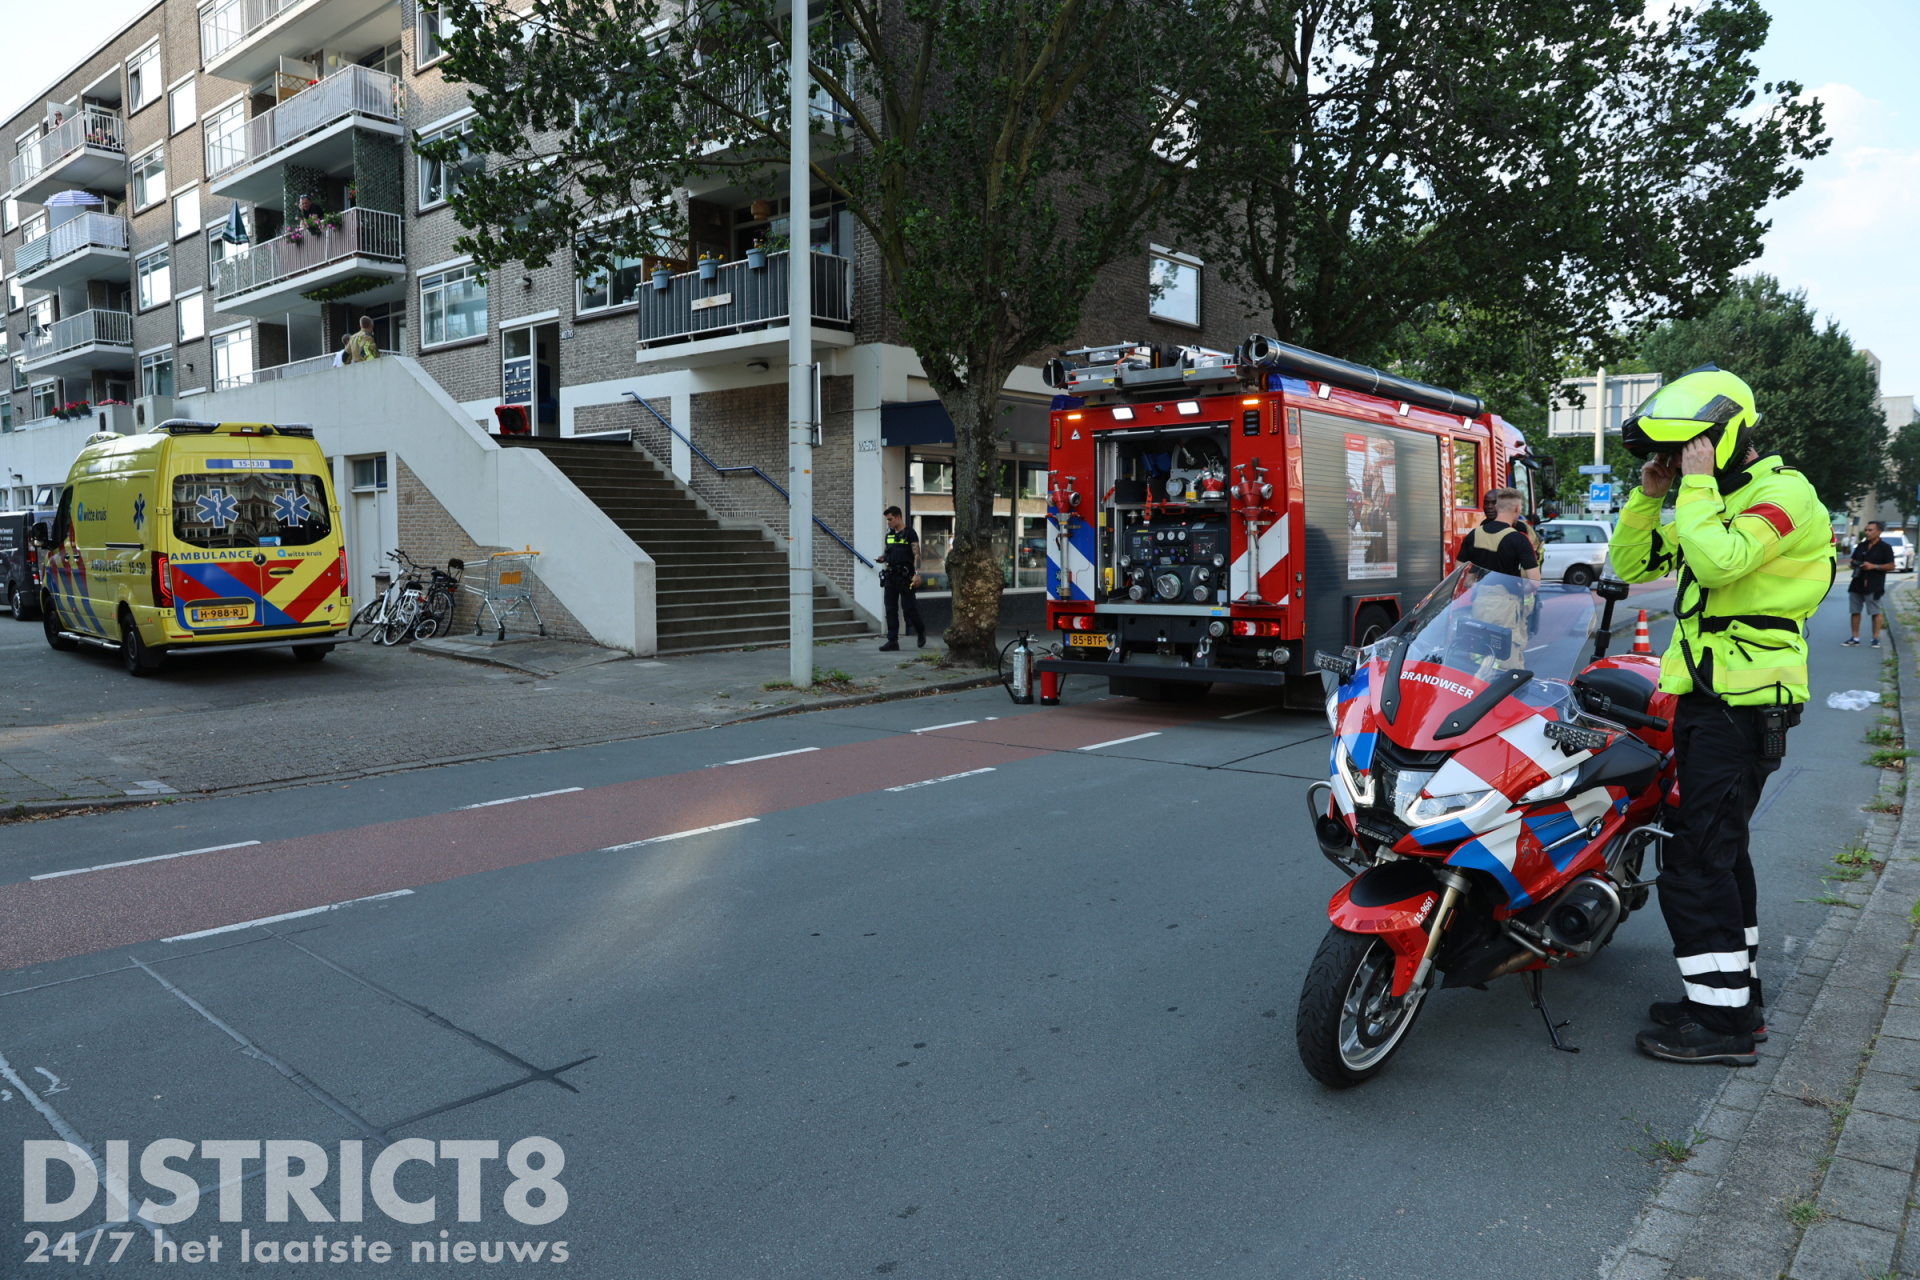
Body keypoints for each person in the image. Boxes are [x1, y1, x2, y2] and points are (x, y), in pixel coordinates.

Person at [1609, 364, 1835, 1066]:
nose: (1680, 464)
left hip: (1746, 704)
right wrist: (1651, 498)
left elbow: (1719, 565)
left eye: (1689, 449)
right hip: (1708, 700)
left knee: (1697, 857)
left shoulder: (1782, 494)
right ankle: (1731, 996)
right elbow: (1632, 562)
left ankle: (1723, 1027)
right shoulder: (1713, 497)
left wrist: (1698, 486)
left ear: (1725, 434)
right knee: (1721, 849)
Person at [878, 506, 925, 651]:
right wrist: (883, 558)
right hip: (891, 576)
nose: (888, 522)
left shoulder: (910, 533)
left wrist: (917, 574)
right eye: (887, 520)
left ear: (898, 517)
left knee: (909, 608)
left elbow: (916, 554)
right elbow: (888, 550)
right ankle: (892, 640)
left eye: (890, 519)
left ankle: (920, 631)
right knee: (890, 609)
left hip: (906, 577)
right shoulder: (890, 534)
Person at [1845, 521, 1895, 647]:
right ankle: (1855, 638)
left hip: (1874, 584)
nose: (1867, 532)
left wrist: (1874, 566)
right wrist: (1853, 564)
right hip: (1857, 582)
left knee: (1875, 611)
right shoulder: (1861, 545)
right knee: (1855, 611)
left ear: (1879, 532)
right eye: (1866, 530)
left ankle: (1875, 638)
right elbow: (1853, 560)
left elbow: (1891, 566)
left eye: (1871, 530)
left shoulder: (1885, 547)